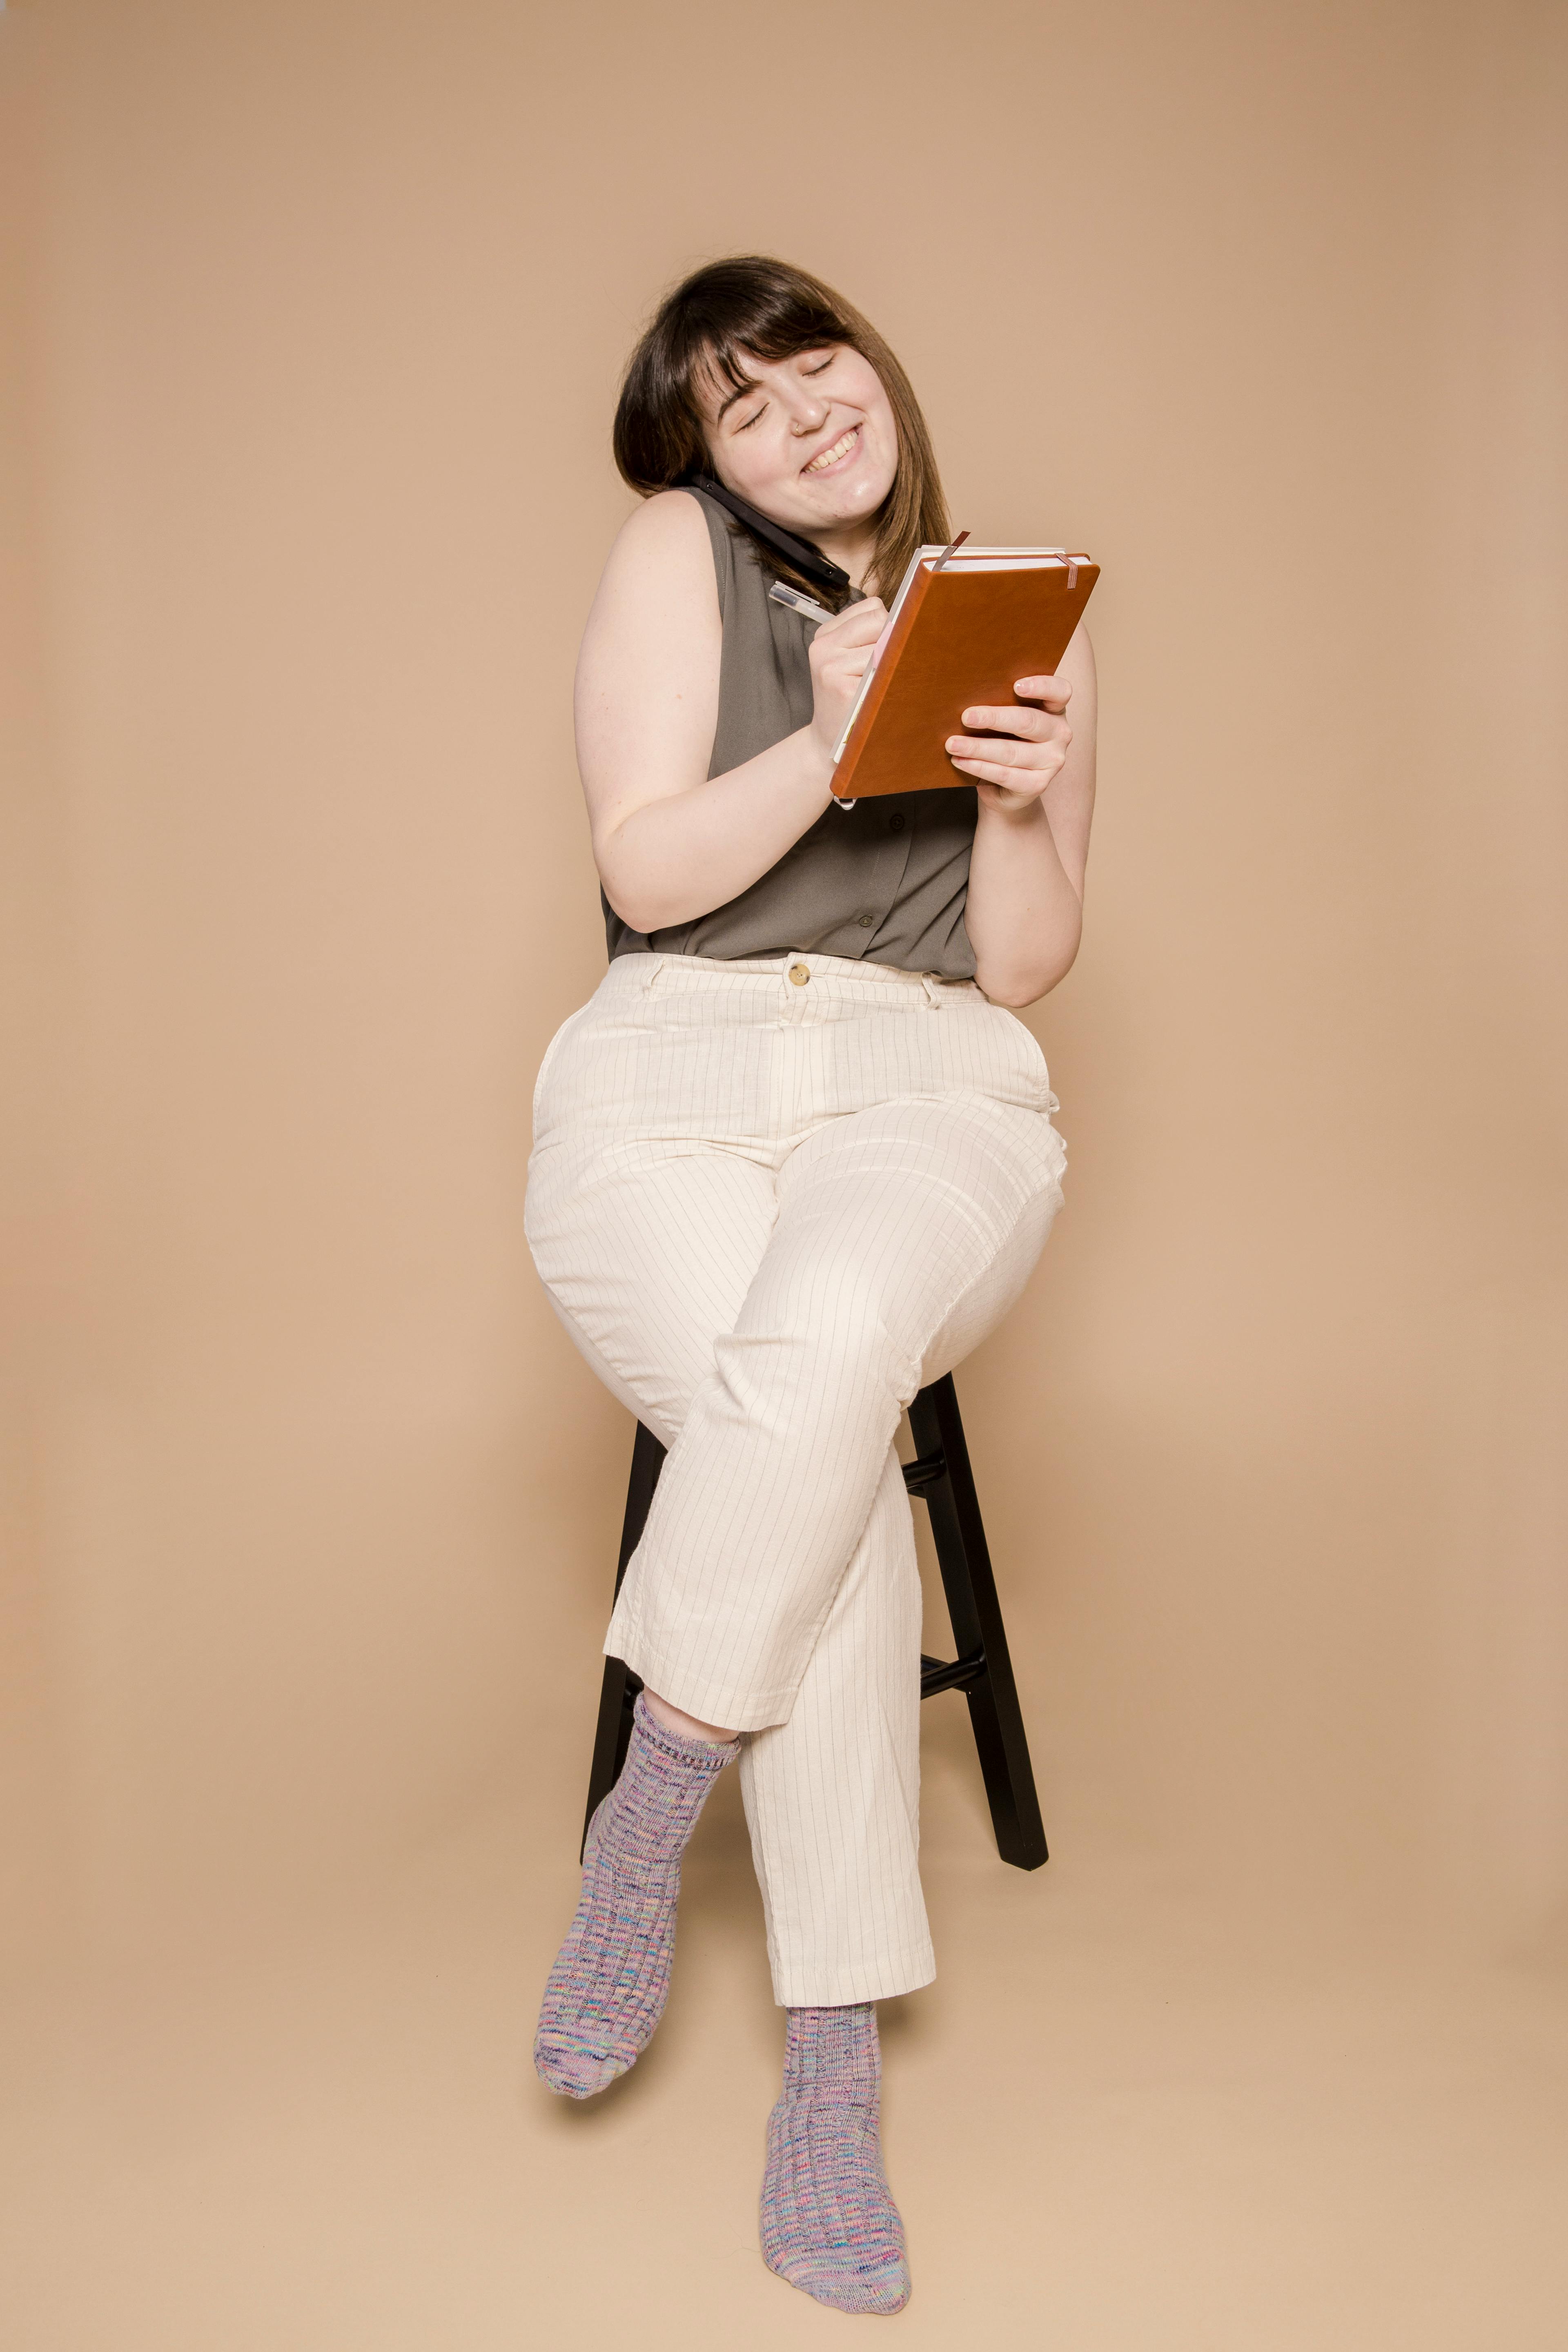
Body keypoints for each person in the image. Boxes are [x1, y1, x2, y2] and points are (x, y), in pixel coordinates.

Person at [525, 255, 1096, 2316]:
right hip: (666, 1073)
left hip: (923, 1077)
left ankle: (649, 1807)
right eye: (745, 407)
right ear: (708, 453)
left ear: (877, 365)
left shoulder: (1017, 601)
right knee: (827, 1471)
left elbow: (1026, 960)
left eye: (814, 369)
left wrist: (1015, 795)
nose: (800, 419)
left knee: (834, 1348)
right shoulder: (678, 555)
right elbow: (648, 868)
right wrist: (840, 738)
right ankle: (831, 2072)